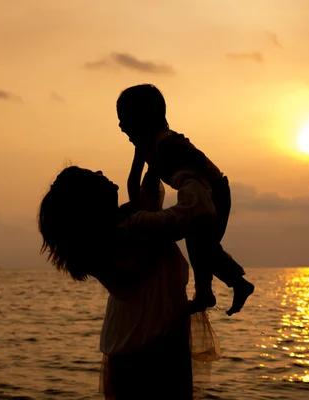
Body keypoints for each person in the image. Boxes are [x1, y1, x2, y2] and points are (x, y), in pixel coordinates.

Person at [38, 166, 220, 400]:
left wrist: (147, 157)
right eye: (95, 175)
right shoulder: (134, 228)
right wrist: (184, 174)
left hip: (130, 341)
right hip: (153, 346)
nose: (101, 171)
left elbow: (143, 189)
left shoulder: (105, 240)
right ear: (92, 199)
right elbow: (197, 211)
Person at [117, 83, 254, 316]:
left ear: (144, 119)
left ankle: (227, 287)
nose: (121, 127)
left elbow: (198, 173)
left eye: (125, 120)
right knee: (201, 244)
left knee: (204, 246)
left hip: (214, 192)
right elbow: (135, 179)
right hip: (197, 192)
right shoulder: (145, 145)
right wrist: (137, 209)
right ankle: (210, 292)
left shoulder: (168, 145)